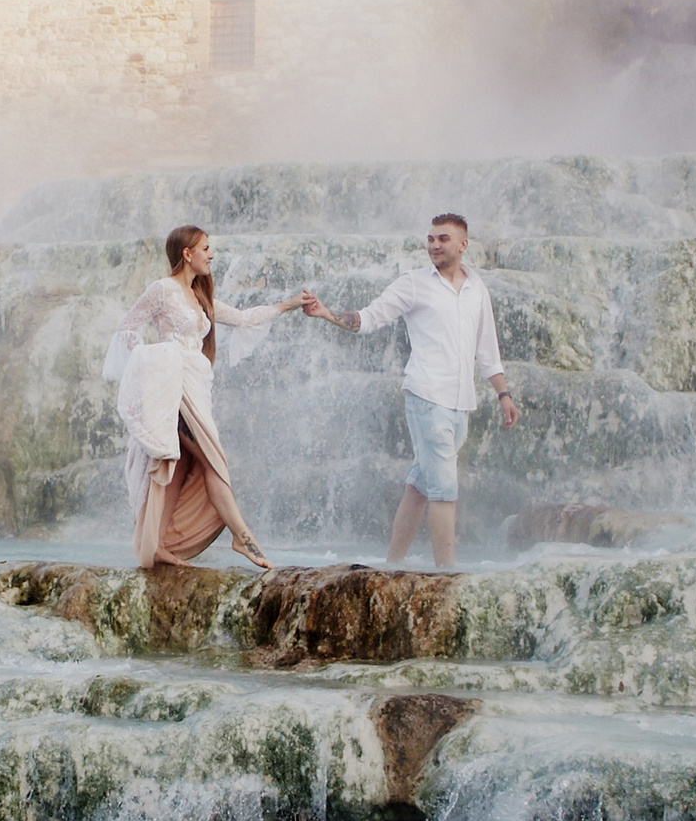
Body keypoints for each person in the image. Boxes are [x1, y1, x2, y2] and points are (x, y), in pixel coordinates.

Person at [301, 212, 517, 568]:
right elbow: (369, 318)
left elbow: (487, 350)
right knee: (444, 489)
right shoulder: (414, 283)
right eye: (431, 238)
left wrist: (503, 395)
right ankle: (445, 575)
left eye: (443, 239)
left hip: (462, 402)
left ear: (463, 245)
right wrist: (326, 313)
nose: (434, 244)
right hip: (427, 396)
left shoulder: (478, 287)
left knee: (419, 485)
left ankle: (392, 564)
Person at [106, 224, 307, 570]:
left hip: (198, 389)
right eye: (205, 248)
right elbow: (127, 326)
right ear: (187, 253)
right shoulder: (163, 290)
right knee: (213, 462)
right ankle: (243, 537)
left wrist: (290, 304)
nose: (211, 254)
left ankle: (158, 546)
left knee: (179, 466)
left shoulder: (201, 297)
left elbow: (244, 319)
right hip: (175, 388)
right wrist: (150, 361)